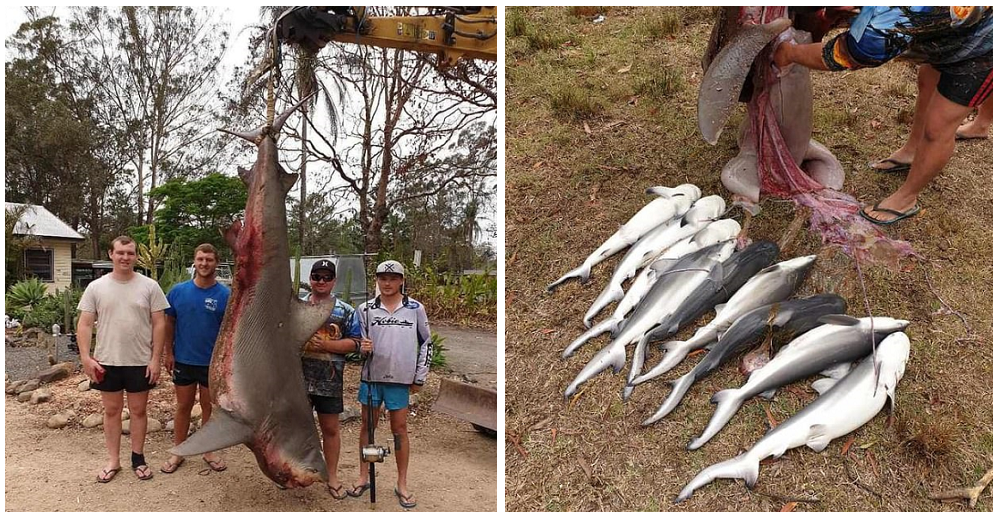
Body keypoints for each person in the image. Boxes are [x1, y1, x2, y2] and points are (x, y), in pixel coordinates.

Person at [773, 6, 993, 225]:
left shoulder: (886, 24)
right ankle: (913, 151)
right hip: (951, 31)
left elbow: (842, 55)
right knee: (928, 81)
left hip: (986, 46)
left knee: (939, 124)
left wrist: (789, 53)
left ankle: (906, 199)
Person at [77, 236, 169, 483]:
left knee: (139, 411)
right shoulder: (96, 287)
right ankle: (113, 461)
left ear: (136, 256)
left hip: (140, 360)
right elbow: (85, 324)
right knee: (111, 411)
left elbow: (160, 323)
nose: (125, 257)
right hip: (107, 360)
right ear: (111, 254)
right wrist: (85, 357)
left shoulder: (150, 286)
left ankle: (138, 459)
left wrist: (155, 359)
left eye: (130, 253)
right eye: (121, 253)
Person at [349, 260, 431, 509]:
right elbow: (355, 345)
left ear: (401, 280)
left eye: (393, 278)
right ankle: (364, 477)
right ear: (377, 280)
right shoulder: (365, 309)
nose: (387, 283)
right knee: (367, 427)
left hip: (400, 380)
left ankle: (402, 483)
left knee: (400, 429)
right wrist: (361, 348)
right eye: (383, 278)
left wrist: (420, 377)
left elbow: (427, 343)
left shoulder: (415, 309)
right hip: (372, 378)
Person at [160, 244, 230, 474]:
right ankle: (178, 451)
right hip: (184, 360)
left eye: (209, 259)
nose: (204, 263)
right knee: (183, 406)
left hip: (212, 364)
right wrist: (168, 352)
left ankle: (208, 451)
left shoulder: (225, 295)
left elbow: (230, 330)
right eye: (200, 259)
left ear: (216, 263)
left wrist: (226, 361)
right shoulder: (178, 291)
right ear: (194, 261)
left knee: (209, 408)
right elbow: (168, 322)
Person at [300, 259, 364, 500]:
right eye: (317, 276)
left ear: (334, 281)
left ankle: (332, 475)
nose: (322, 281)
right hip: (297, 382)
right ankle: (297, 470)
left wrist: (327, 345)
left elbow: (356, 343)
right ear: (311, 280)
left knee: (330, 429)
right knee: (298, 429)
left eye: (327, 277)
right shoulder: (297, 307)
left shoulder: (346, 310)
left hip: (330, 381)